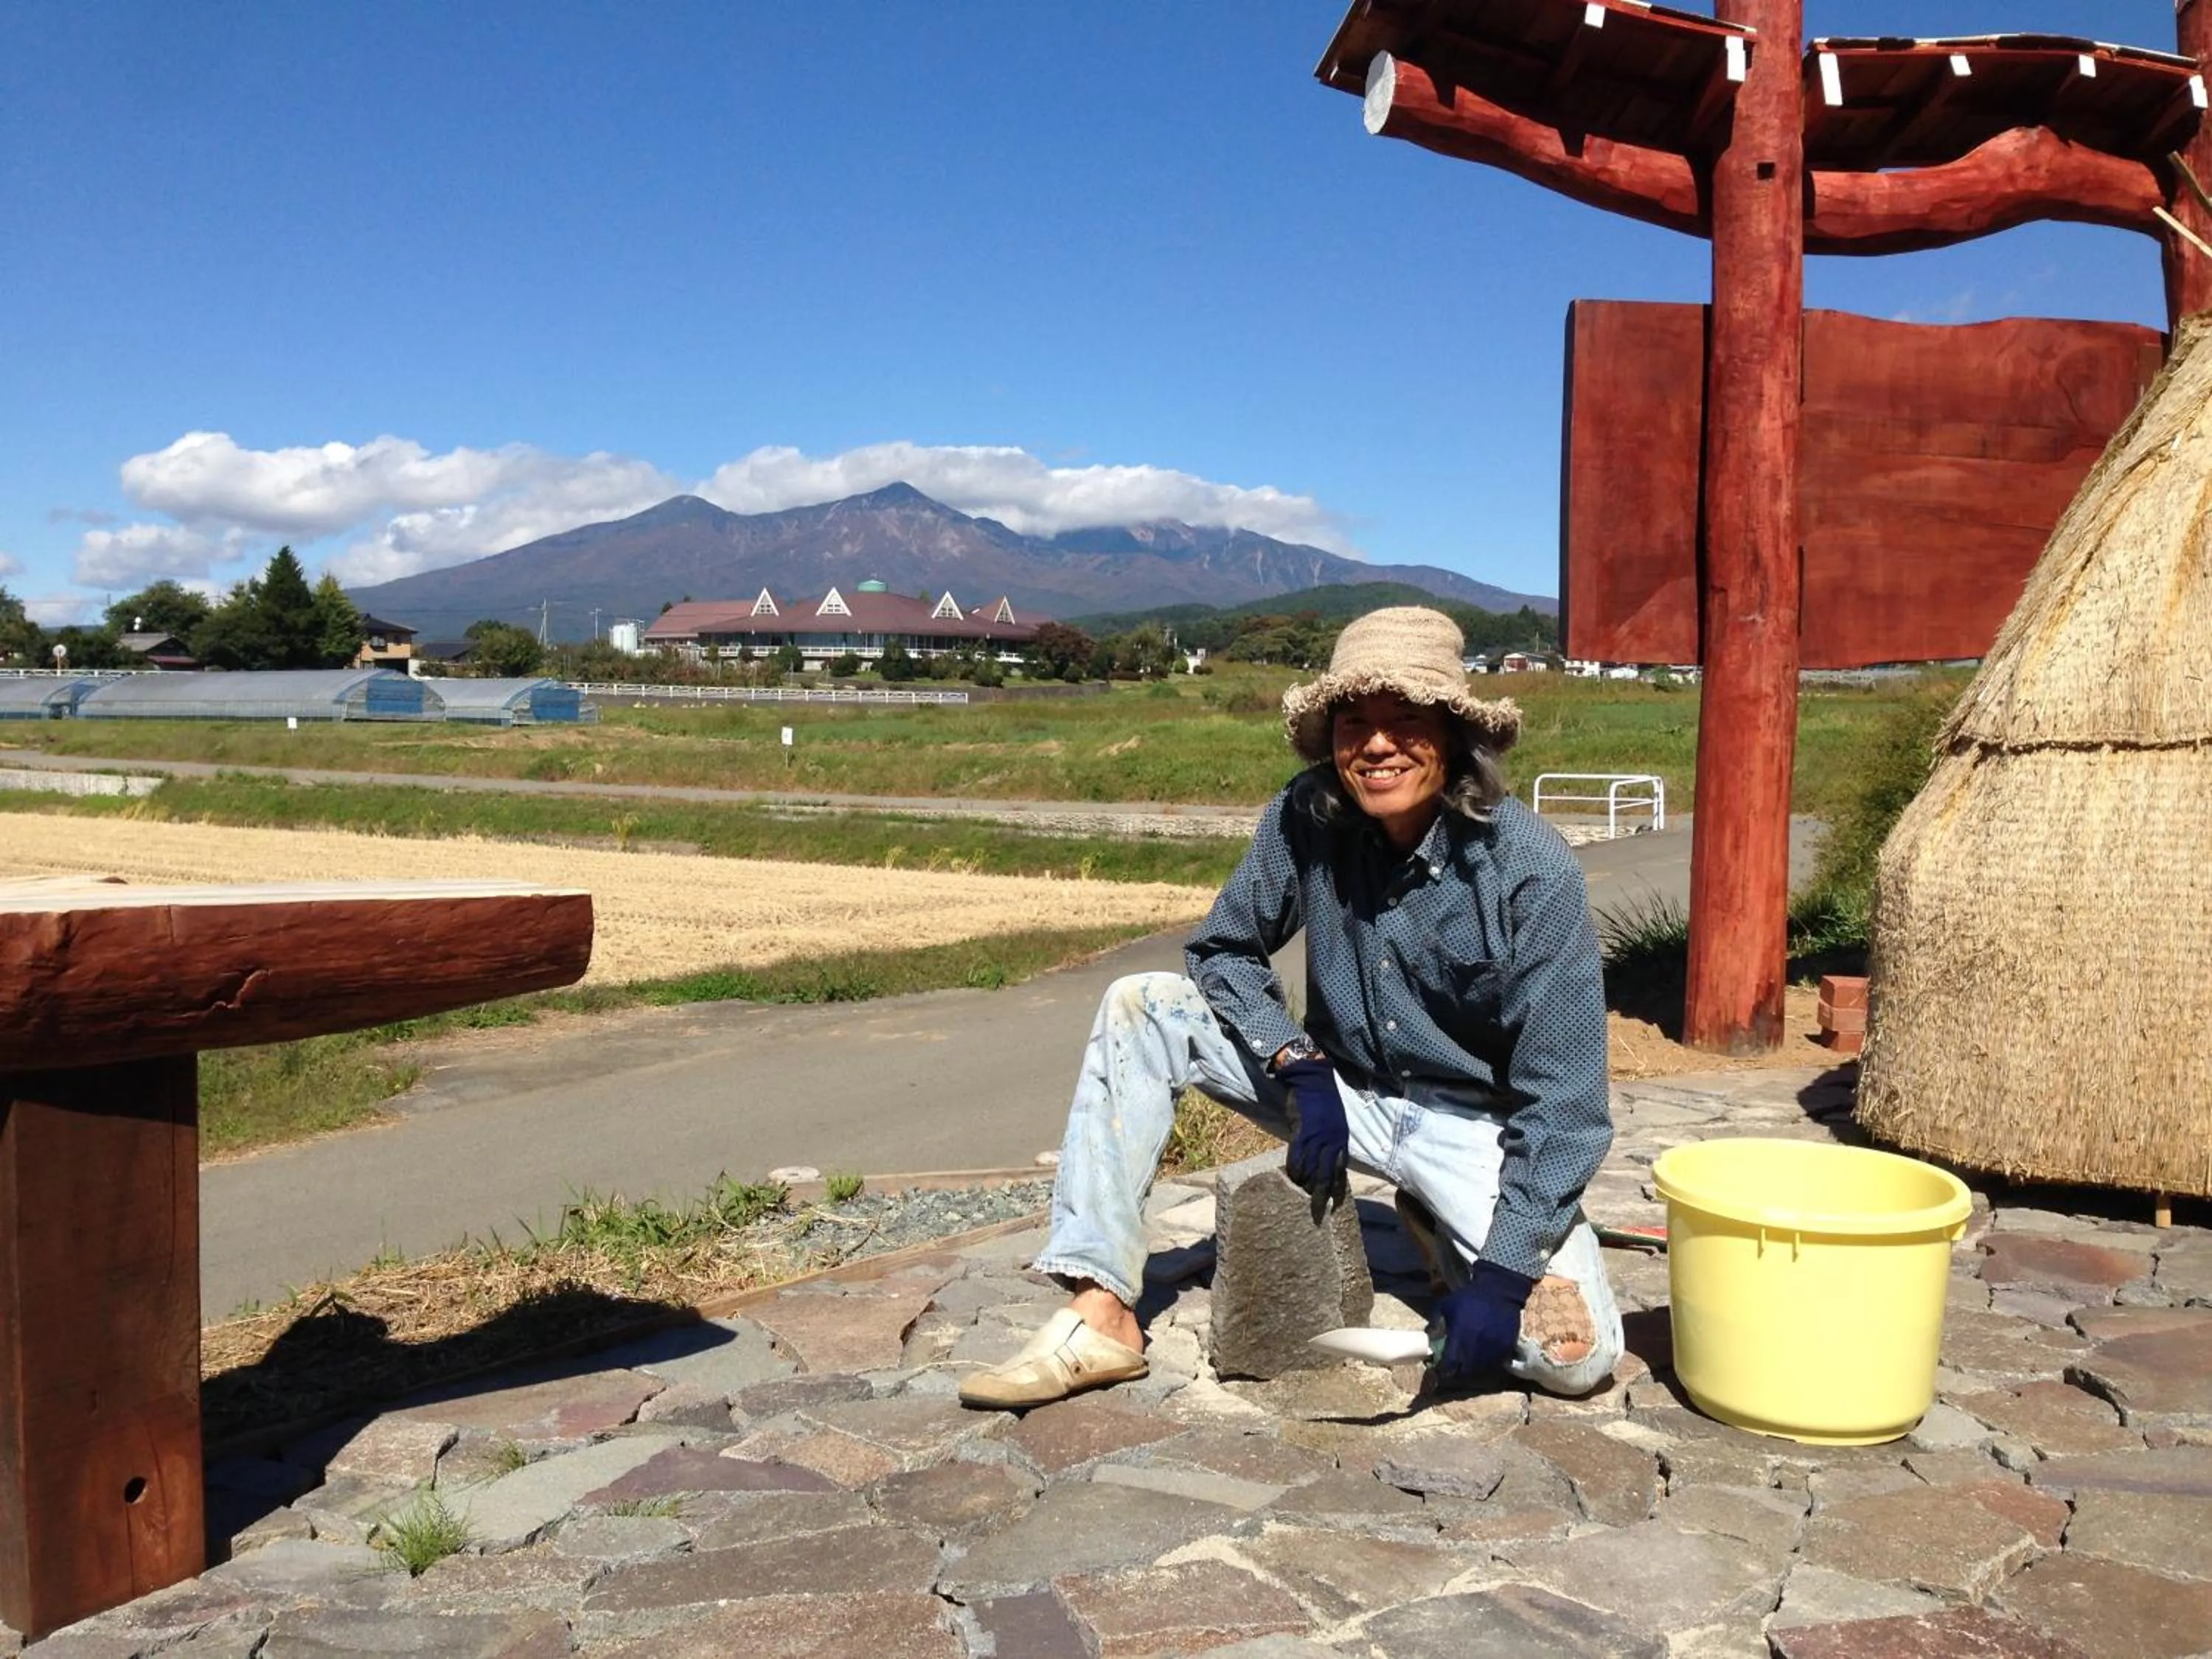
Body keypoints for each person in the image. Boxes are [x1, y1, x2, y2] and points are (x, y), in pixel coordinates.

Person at [959, 606, 1623, 1410]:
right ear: (1330, 737)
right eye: (1355, 722)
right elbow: (1223, 948)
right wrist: (1296, 1062)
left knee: (1575, 1362)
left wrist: (1507, 1274)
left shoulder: (1530, 871)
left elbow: (1568, 1107)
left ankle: (1439, 1221)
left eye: (1405, 718)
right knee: (1143, 1005)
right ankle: (1101, 1310)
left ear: (1453, 734)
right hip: (1338, 1091)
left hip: (1471, 1129)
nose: (1377, 744)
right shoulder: (1306, 816)